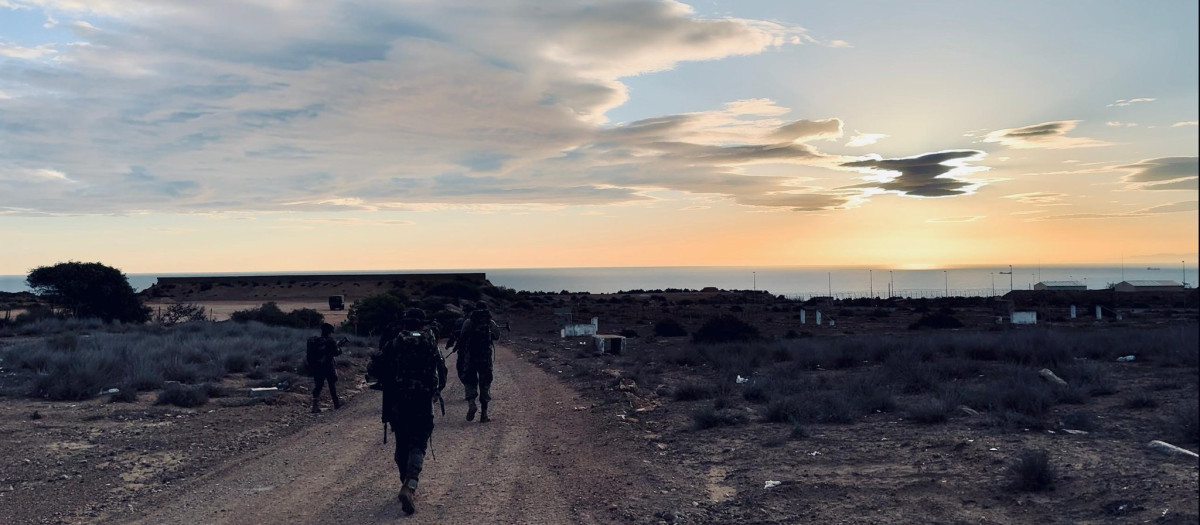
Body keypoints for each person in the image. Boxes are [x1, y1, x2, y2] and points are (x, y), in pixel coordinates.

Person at [369, 308, 447, 515]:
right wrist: (437, 390)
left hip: (398, 402)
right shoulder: (430, 342)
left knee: (402, 442)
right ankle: (410, 485)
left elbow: (375, 366)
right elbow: (442, 369)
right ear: (422, 324)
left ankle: (404, 479)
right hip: (422, 401)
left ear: (404, 323)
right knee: (418, 444)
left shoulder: (394, 342)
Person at [450, 301, 501, 423]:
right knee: (485, 384)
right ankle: (484, 414)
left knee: (469, 381)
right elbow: (497, 336)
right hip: (485, 357)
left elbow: (462, 337)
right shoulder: (490, 322)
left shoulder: (468, 322)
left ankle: (472, 403)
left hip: (471, 357)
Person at [306, 322, 342, 413]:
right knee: (332, 385)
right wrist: (340, 349)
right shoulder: (330, 341)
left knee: (318, 386)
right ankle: (336, 404)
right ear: (329, 332)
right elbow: (336, 353)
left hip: (317, 367)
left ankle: (315, 406)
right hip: (328, 366)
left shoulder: (316, 341)